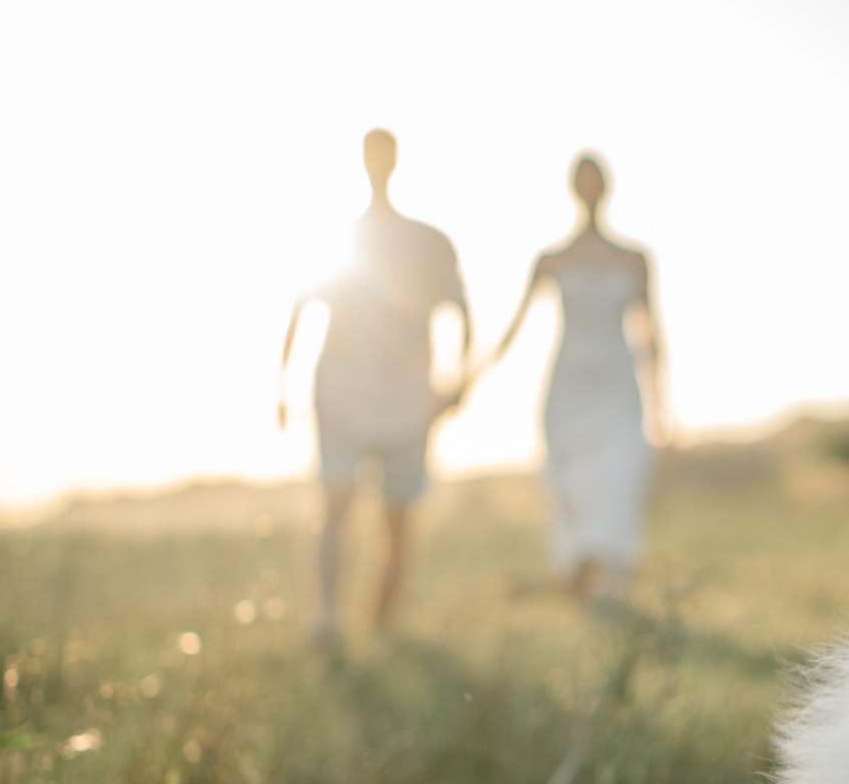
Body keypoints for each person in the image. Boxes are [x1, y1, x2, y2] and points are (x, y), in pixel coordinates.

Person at [276, 129, 470, 639]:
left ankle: (381, 625)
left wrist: (457, 380)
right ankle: (325, 620)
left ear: (395, 161)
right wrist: (282, 384)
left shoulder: (429, 242)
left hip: (409, 397)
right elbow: (300, 311)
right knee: (335, 504)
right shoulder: (339, 238)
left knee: (398, 517)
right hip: (341, 391)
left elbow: (460, 313)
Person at [482, 151, 667, 601]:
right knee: (567, 482)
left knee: (618, 476)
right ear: (573, 188)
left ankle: (608, 576)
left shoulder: (635, 258)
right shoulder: (551, 259)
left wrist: (664, 406)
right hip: (568, 385)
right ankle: (579, 569)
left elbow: (651, 335)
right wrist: (472, 378)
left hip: (618, 383)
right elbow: (513, 327)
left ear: (606, 187)